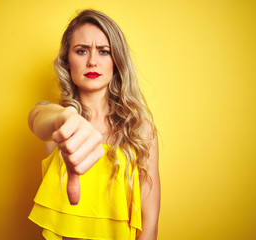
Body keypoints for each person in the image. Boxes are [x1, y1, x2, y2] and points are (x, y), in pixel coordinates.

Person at [28, 9, 160, 240]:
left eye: (103, 51)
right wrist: (64, 117)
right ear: (67, 61)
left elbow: (149, 220)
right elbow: (38, 117)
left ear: (116, 61)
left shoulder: (140, 128)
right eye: (81, 51)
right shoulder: (59, 123)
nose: (92, 61)